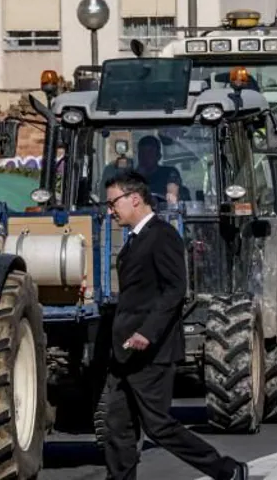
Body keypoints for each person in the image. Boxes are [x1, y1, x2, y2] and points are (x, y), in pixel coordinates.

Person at [102, 171, 247, 480]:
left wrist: (147, 332)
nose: (109, 210)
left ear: (135, 198)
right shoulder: (133, 242)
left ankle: (226, 470)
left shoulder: (162, 235)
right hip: (125, 353)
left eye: (113, 202)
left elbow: (175, 289)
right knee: (117, 427)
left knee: (158, 426)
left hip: (150, 352)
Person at [136, 135, 183, 204]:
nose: (145, 157)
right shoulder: (132, 177)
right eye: (142, 153)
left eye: (150, 153)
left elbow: (172, 191)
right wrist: (138, 177)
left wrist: (171, 195)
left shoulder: (169, 173)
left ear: (158, 156)